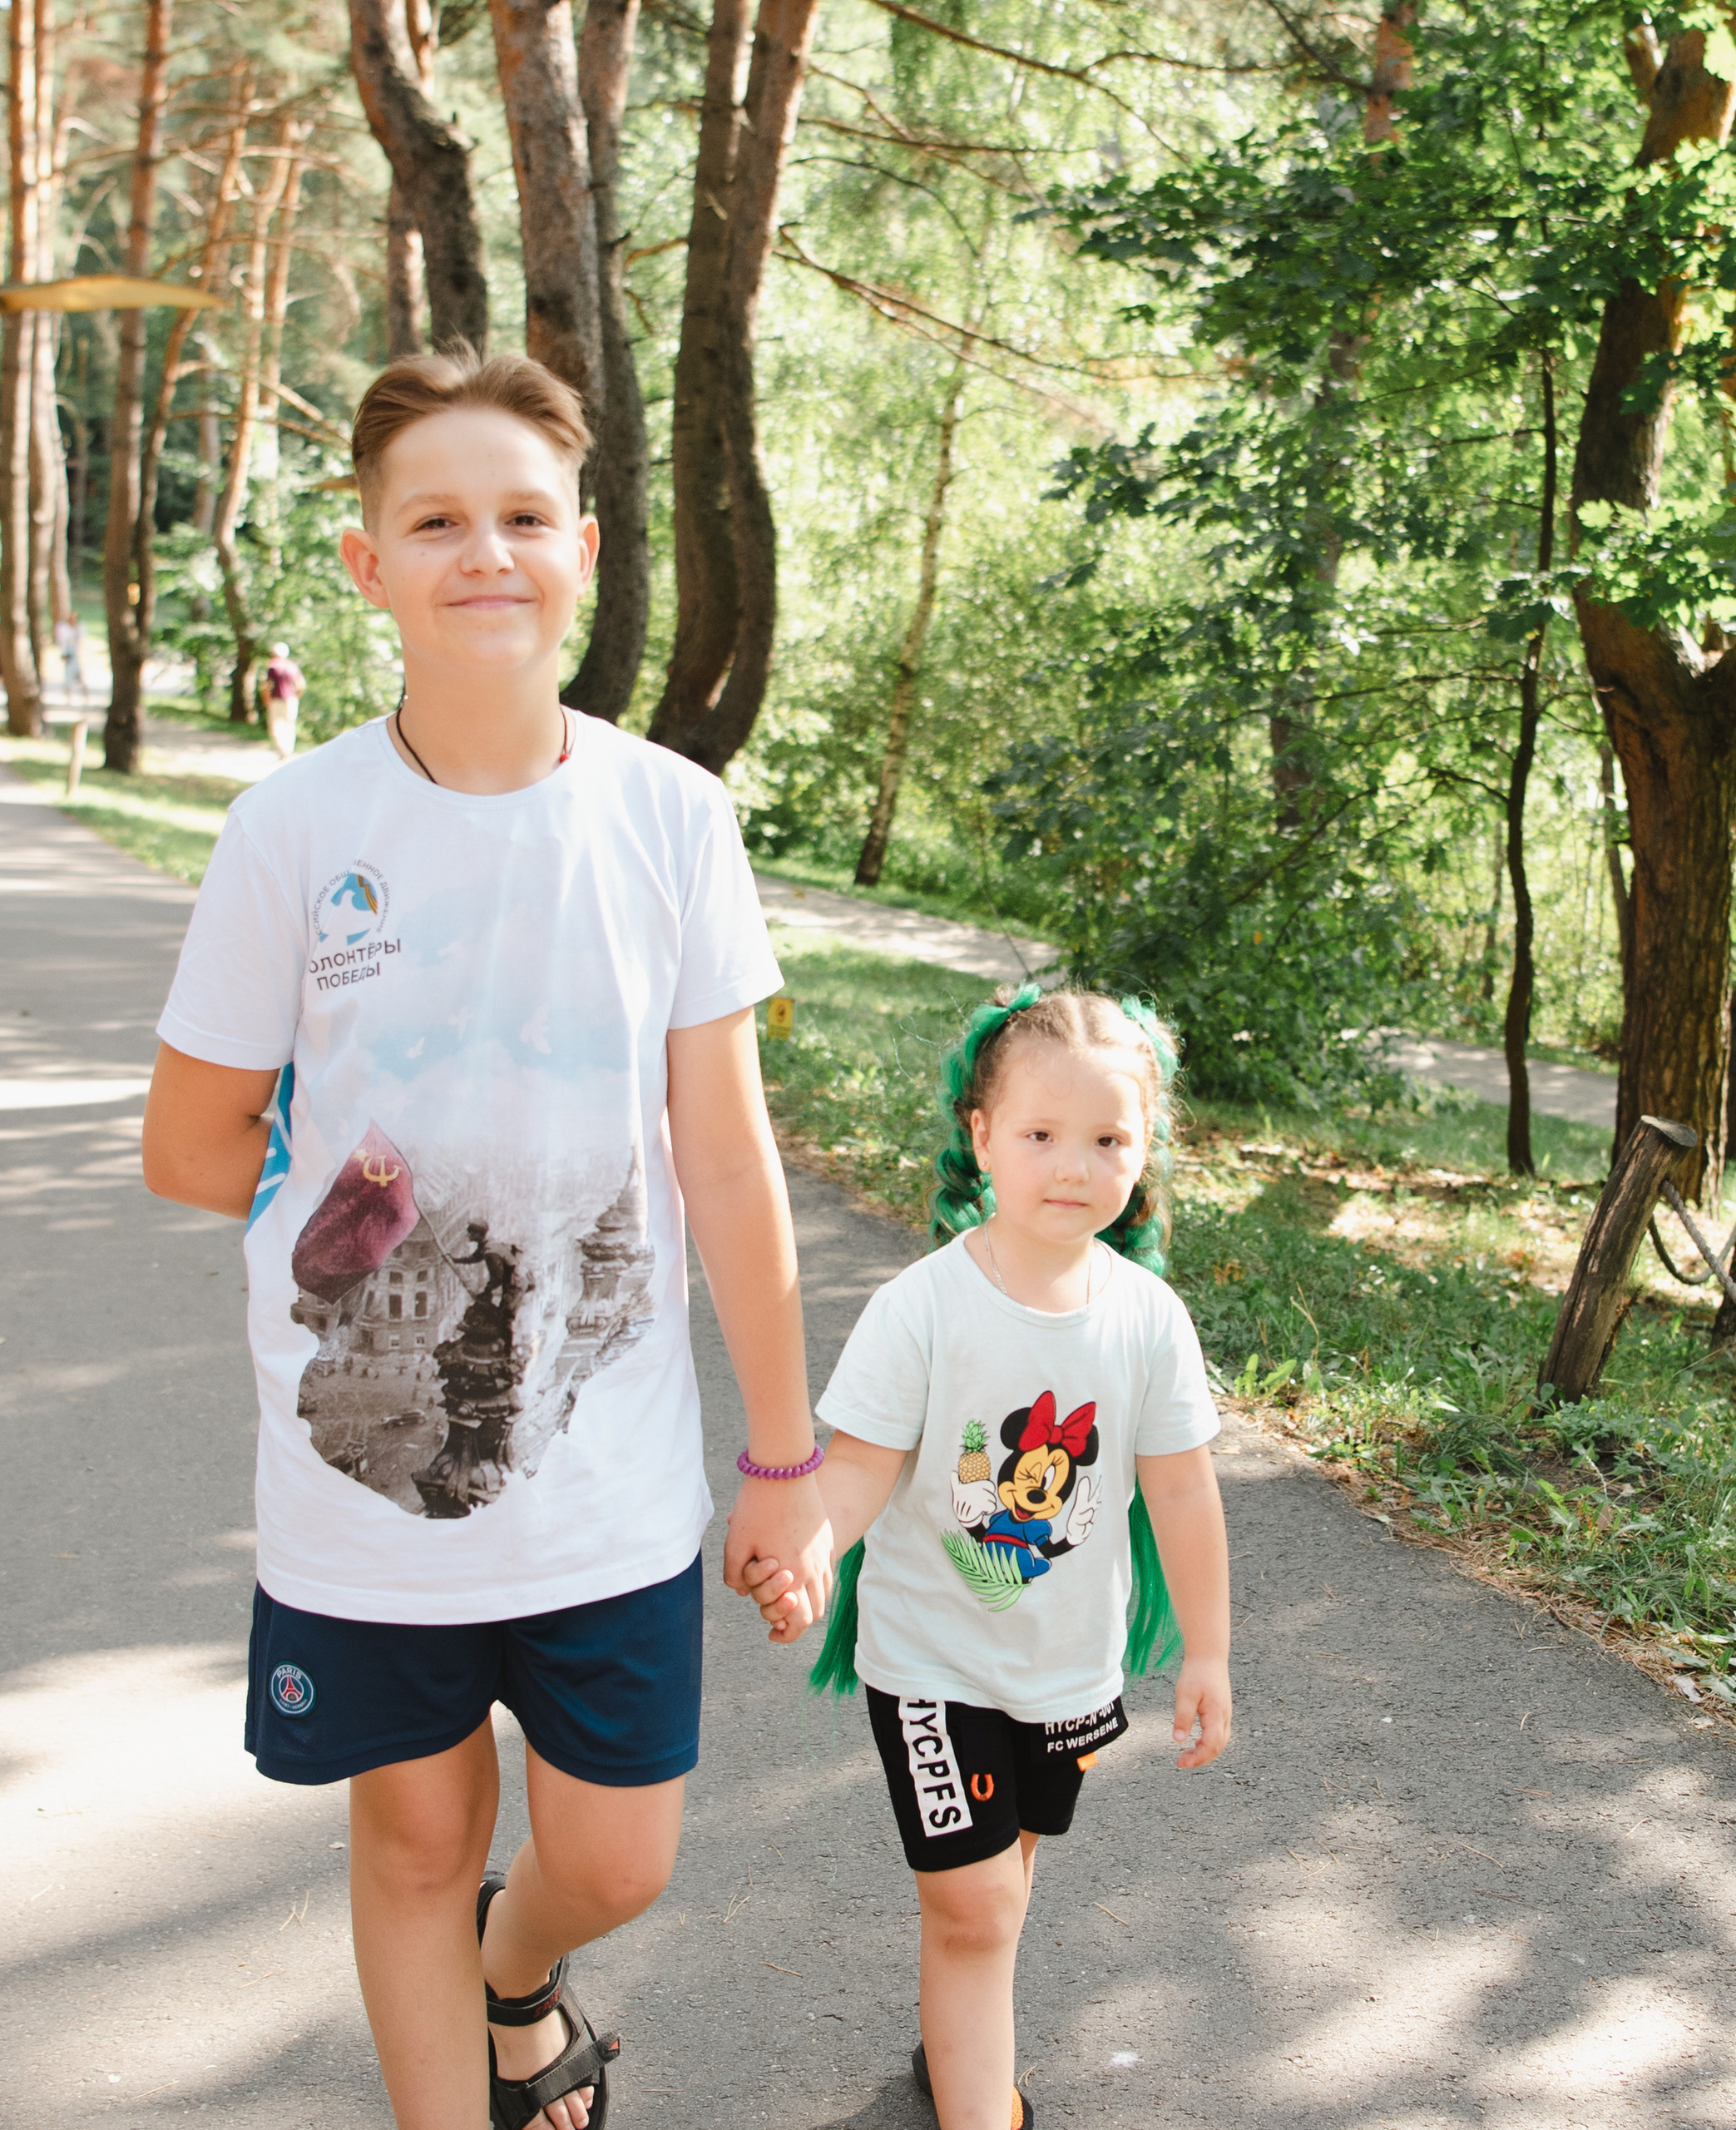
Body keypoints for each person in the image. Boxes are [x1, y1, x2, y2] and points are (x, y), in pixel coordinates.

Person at [141, 345, 834, 2130]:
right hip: (366, 1481)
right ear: (366, 563)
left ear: (584, 548)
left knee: (613, 1855)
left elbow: (727, 1160)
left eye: (523, 515)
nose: (484, 552)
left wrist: (781, 1454)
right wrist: (370, 1232)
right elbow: (189, 1146)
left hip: (604, 1482)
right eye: (435, 519)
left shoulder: (669, 817)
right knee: (414, 1832)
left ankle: (517, 1971)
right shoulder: (290, 829)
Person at [743, 987, 1233, 2130]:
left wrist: (1206, 1652)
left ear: (1146, 1149)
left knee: (1004, 1880)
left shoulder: (1150, 1318)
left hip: (1067, 1671)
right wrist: (812, 1545)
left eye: (1109, 1140)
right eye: (1041, 1135)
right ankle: (980, 2107)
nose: (1074, 1167)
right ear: (982, 1138)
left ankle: (957, 2040)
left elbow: (1182, 1492)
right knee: (973, 1910)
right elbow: (858, 1467)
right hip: (931, 1663)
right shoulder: (924, 1307)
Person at [261, 639, 304, 760]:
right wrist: (296, 696)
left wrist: (266, 700)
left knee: (276, 726)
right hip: (292, 700)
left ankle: (283, 751)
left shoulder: (272, 666)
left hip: (276, 700)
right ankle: (288, 751)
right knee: (289, 725)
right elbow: (301, 684)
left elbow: (266, 686)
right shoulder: (293, 666)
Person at [55, 611, 83, 705]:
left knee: (81, 678)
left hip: (77, 656)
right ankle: (69, 699)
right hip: (69, 656)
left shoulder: (78, 628)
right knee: (68, 678)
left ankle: (85, 699)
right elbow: (62, 642)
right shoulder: (64, 628)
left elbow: (81, 642)